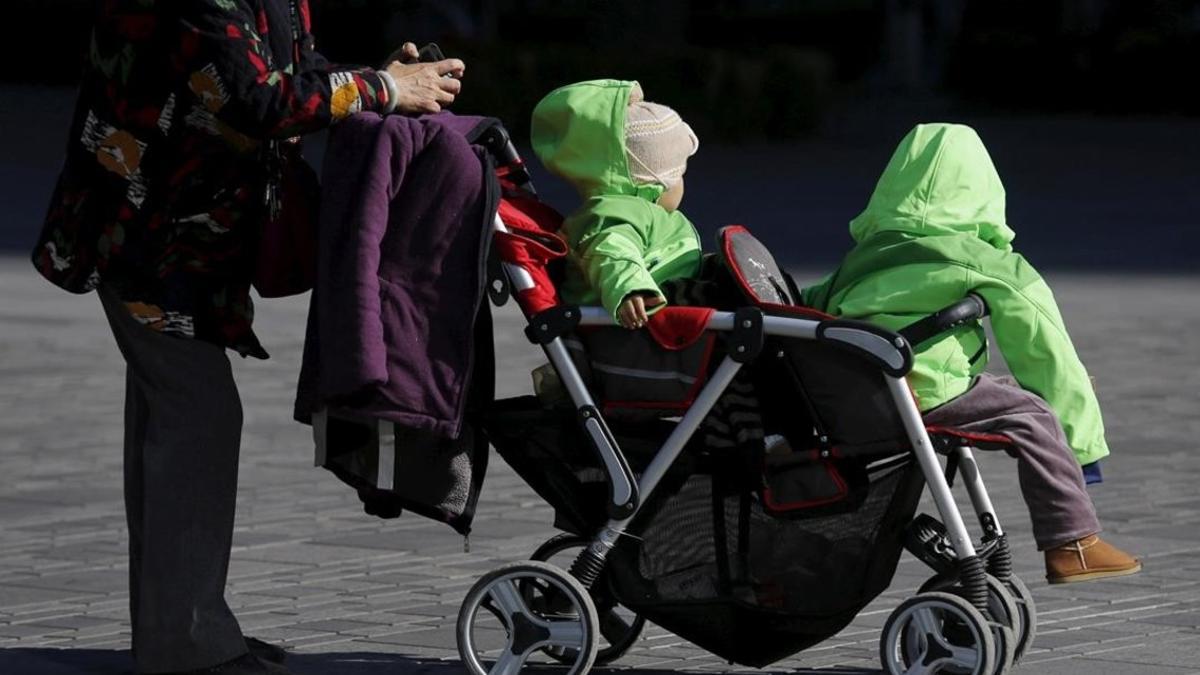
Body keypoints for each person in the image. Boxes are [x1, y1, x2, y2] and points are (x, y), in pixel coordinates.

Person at [30, 2, 464, 673]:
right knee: (197, 417)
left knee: (172, 419)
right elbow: (259, 99)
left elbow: (293, 69)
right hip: (145, 231)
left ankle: (180, 629)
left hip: (186, 235)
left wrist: (377, 77)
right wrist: (382, 90)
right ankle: (188, 642)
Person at [800, 123, 1141, 584]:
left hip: (859, 394)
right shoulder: (987, 261)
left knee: (1002, 393)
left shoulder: (862, 259)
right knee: (1035, 414)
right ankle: (1072, 541)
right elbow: (1045, 350)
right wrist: (1082, 444)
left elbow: (809, 308)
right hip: (931, 389)